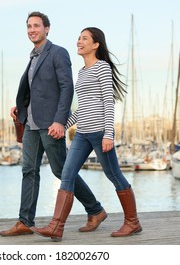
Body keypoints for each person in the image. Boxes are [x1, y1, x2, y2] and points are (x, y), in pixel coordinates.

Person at [31, 27, 142, 241]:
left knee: (113, 175)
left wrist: (109, 134)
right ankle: (57, 226)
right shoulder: (81, 72)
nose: (79, 42)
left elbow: (108, 102)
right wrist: (64, 125)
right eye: (78, 38)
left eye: (84, 39)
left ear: (96, 44)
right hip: (82, 134)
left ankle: (133, 222)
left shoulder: (102, 68)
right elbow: (83, 108)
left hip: (101, 133)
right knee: (67, 174)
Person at [0, 13, 105, 237]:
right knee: (29, 171)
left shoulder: (58, 53)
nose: (32, 29)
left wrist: (59, 121)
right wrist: (21, 108)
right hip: (30, 124)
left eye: (36, 26)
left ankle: (95, 210)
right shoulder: (33, 57)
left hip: (51, 125)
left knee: (60, 171)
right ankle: (25, 221)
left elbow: (67, 88)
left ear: (47, 29)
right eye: (28, 26)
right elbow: (36, 92)